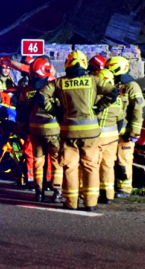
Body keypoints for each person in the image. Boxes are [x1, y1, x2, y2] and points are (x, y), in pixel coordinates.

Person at [39, 50, 117, 211]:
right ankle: (90, 203)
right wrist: (99, 108)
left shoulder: (59, 83)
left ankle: (71, 202)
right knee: (90, 166)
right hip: (91, 133)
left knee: (70, 166)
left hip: (69, 132)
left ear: (67, 64)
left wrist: (55, 111)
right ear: (84, 64)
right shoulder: (94, 81)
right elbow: (113, 92)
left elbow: (40, 97)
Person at [17, 57, 63, 202]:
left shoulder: (26, 90)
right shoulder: (53, 87)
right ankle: (57, 191)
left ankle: (39, 192)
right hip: (54, 131)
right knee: (56, 161)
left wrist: (22, 129)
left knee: (38, 161)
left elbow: (21, 113)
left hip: (34, 131)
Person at [107, 55, 145, 198]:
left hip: (126, 133)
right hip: (112, 132)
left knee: (124, 160)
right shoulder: (115, 85)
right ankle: (111, 186)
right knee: (110, 161)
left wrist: (134, 132)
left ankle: (124, 188)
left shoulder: (132, 87)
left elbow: (138, 109)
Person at [94, 68, 126, 204]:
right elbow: (121, 121)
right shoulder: (119, 100)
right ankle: (108, 195)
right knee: (107, 166)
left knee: (93, 166)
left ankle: (91, 194)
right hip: (112, 138)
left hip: (96, 137)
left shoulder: (94, 98)